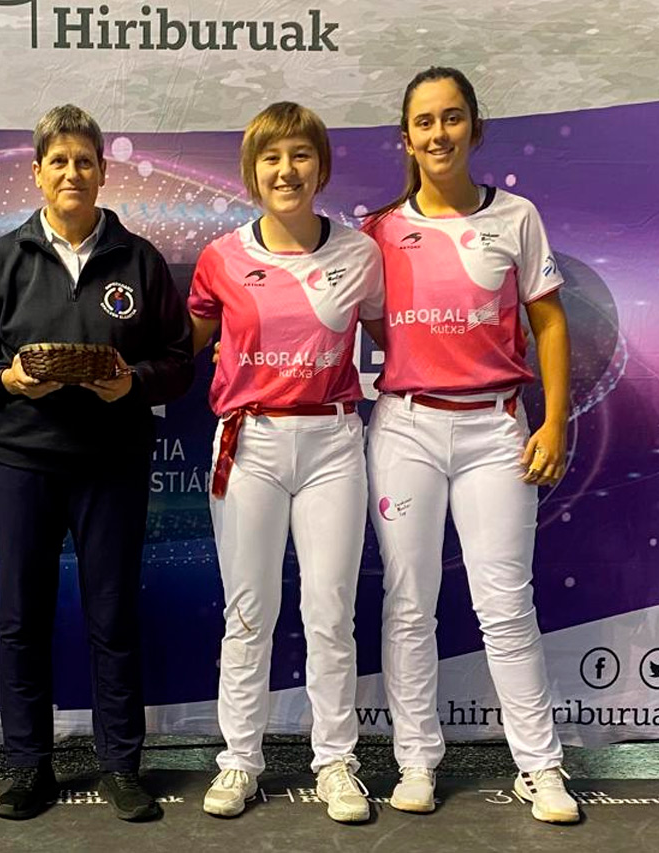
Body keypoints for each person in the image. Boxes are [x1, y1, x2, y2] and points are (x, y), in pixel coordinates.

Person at [0, 104, 193, 822]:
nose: (72, 172)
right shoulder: (1, 259)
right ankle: (28, 766)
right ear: (37, 173)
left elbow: (179, 360)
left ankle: (120, 766)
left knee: (112, 616)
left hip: (112, 462)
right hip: (22, 460)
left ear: (103, 172)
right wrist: (7, 379)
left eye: (84, 160)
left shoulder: (139, 260)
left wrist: (132, 382)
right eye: (59, 161)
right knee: (21, 618)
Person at [364, 66, 578, 823]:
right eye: (424, 122)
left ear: (474, 128)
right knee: (409, 603)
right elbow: (353, 318)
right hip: (406, 428)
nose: (439, 134)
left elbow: (549, 321)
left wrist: (554, 421)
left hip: (496, 428)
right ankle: (416, 761)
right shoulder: (379, 232)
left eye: (451, 118)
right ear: (406, 138)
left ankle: (541, 768)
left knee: (506, 604)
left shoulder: (517, 216)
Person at [188, 103, 384, 822]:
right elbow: (180, 348)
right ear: (252, 172)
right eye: (271, 157)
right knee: (249, 612)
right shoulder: (221, 256)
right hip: (251, 444)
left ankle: (335, 762)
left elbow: (401, 338)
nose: (286, 170)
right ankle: (239, 760)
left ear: (320, 166)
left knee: (330, 612)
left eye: (300, 155)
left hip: (333, 443)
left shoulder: (361, 254)